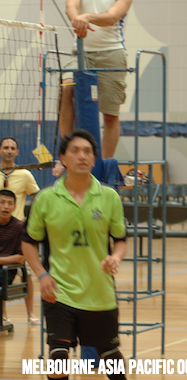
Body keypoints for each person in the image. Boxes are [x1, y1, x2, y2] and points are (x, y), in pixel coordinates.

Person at [22, 130, 127, 380]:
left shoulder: (109, 197)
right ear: (63, 158)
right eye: (75, 151)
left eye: (88, 152)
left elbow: (121, 240)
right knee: (58, 359)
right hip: (59, 291)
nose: (82, 156)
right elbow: (28, 243)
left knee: (111, 357)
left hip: (99, 292)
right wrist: (42, 275)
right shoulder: (46, 198)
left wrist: (116, 257)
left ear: (94, 159)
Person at [60, 0, 133, 159]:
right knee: (66, 88)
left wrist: (88, 17)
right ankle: (66, 154)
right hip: (82, 52)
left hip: (112, 54)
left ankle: (104, 163)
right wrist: (77, 20)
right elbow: (71, 6)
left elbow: (111, 17)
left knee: (110, 115)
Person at [0, 136, 40, 325]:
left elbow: (38, 198)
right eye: (5, 147)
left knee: (27, 273)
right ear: (0, 150)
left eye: (12, 148)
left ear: (17, 152)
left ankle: (30, 313)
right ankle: (3, 314)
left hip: (18, 233)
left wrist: (32, 223)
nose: (8, 151)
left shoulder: (25, 174)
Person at [0, 190, 25, 325]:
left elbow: (20, 258)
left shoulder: (19, 227)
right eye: (2, 202)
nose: (6, 206)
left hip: (6, 272)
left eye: (10, 203)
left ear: (14, 207)